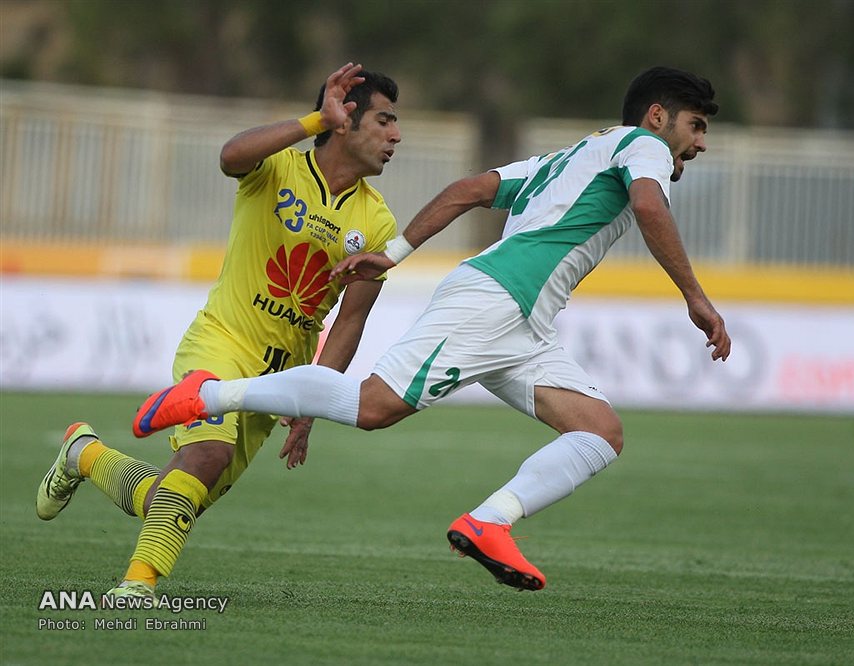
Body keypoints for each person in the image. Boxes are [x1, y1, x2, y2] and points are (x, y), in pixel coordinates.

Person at [132, 66, 731, 591]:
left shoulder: (579, 154)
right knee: (373, 407)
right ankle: (209, 396)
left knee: (600, 432)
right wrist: (696, 299)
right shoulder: (645, 146)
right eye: (696, 126)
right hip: (495, 302)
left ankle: (489, 522)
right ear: (658, 116)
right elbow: (648, 206)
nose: (700, 142)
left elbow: (469, 190)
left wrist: (393, 252)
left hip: (525, 323)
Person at [36, 63, 402, 599]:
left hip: (279, 377)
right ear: (345, 120)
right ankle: (136, 587)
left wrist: (313, 401)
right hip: (221, 342)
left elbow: (351, 320)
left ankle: (82, 454)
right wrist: (311, 121)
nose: (396, 136)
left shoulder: (378, 221)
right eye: (385, 120)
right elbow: (230, 156)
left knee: (174, 495)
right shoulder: (278, 165)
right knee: (208, 454)